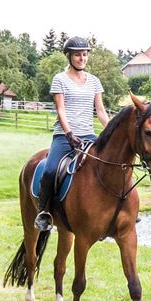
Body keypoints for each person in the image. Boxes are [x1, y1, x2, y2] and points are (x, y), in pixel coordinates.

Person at [36, 37, 106, 233]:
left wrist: (109, 130)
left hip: (88, 135)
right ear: (69, 56)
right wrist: (68, 133)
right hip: (64, 136)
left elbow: (100, 111)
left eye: (84, 54)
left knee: (112, 164)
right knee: (50, 170)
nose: (82, 58)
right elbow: (61, 110)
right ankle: (43, 212)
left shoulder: (94, 81)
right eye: (77, 54)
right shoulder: (60, 79)